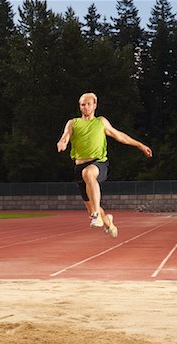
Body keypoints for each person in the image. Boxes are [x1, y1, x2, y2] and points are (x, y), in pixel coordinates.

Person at [57, 92, 152, 237]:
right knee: (91, 205)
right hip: (79, 166)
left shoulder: (101, 122)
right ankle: (108, 222)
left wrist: (139, 145)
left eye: (89, 104)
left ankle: (96, 215)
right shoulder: (73, 123)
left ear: (94, 105)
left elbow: (119, 135)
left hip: (98, 163)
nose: (86, 107)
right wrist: (62, 143)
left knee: (88, 173)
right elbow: (65, 137)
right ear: (80, 106)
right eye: (83, 104)